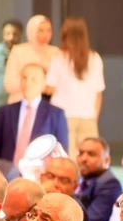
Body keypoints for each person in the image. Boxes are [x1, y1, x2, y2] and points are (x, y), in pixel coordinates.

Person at [44, 17, 104, 156]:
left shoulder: (59, 58)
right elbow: (99, 93)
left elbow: (50, 88)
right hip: (88, 116)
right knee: (88, 160)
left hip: (63, 116)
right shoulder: (95, 58)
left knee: (66, 158)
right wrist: (94, 117)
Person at [0, 63, 69, 166]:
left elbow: (62, 152)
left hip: (39, 172)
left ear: (43, 83)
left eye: (34, 79)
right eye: (24, 78)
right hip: (7, 171)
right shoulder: (5, 112)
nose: (28, 83)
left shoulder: (55, 114)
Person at [2, 15, 58, 105]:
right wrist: (38, 84)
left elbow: (59, 83)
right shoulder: (18, 51)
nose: (46, 34)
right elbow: (9, 84)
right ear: (32, 30)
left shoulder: (55, 52)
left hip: (48, 105)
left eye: (49, 30)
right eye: (41, 30)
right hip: (20, 104)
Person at [74, 137, 122, 221]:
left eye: (91, 154)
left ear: (107, 160)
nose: (84, 159)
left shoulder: (110, 185)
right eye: (80, 153)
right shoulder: (82, 181)